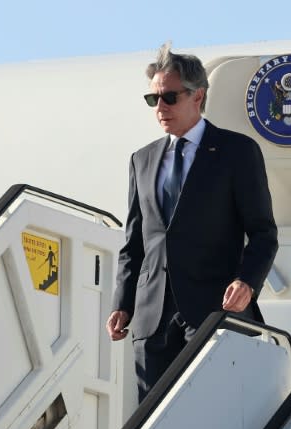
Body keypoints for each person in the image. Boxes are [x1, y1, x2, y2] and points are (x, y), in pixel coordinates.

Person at [106, 43, 278, 403]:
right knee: (151, 423)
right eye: (154, 100)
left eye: (169, 97)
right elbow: (135, 243)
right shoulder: (142, 160)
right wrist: (123, 303)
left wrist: (248, 282)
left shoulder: (236, 152)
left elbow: (263, 232)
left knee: (215, 412)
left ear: (197, 96)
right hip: (152, 320)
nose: (161, 109)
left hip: (215, 310)